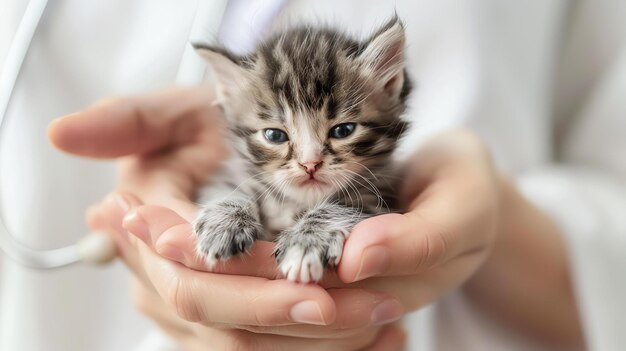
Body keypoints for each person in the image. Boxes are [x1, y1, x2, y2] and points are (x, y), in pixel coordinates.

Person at [2, 1, 625, 350]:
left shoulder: (370, 186)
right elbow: (229, 193)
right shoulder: (248, 153)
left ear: (388, 86)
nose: (308, 162)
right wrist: (221, 215)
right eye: (277, 137)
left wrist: (498, 221)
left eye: (340, 131)